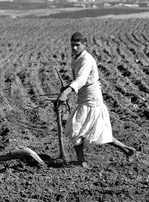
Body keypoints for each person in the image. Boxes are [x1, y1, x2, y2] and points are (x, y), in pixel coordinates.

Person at [56, 31, 135, 167]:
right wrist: (67, 88)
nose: (74, 48)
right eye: (72, 45)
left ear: (84, 44)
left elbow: (81, 79)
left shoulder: (86, 59)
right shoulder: (78, 58)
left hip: (91, 100)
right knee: (99, 132)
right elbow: (80, 79)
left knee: (75, 129)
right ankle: (127, 150)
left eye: (77, 45)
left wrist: (67, 92)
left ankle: (81, 162)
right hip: (87, 98)